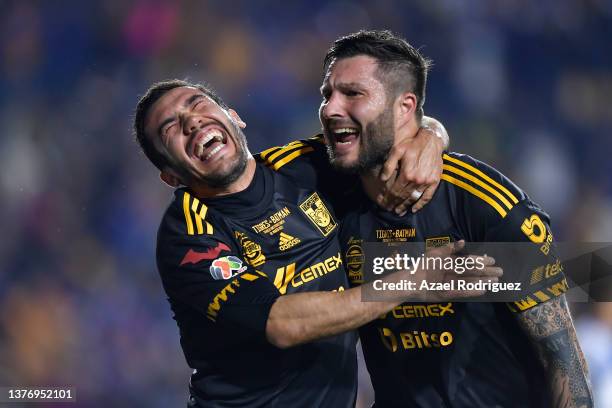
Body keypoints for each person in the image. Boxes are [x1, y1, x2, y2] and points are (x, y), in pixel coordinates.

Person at [133, 80, 500, 407]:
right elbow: (282, 324)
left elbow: (400, 135)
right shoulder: (188, 234)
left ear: (233, 117)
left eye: (197, 105)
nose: (191, 122)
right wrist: (413, 281)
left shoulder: (303, 166)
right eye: (170, 129)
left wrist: (431, 138)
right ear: (170, 176)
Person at [318, 30, 593, 407]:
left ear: (404, 107)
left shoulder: (486, 205)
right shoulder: (326, 194)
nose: (331, 108)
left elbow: (562, 360)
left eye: (352, 93)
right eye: (327, 94)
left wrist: (431, 133)